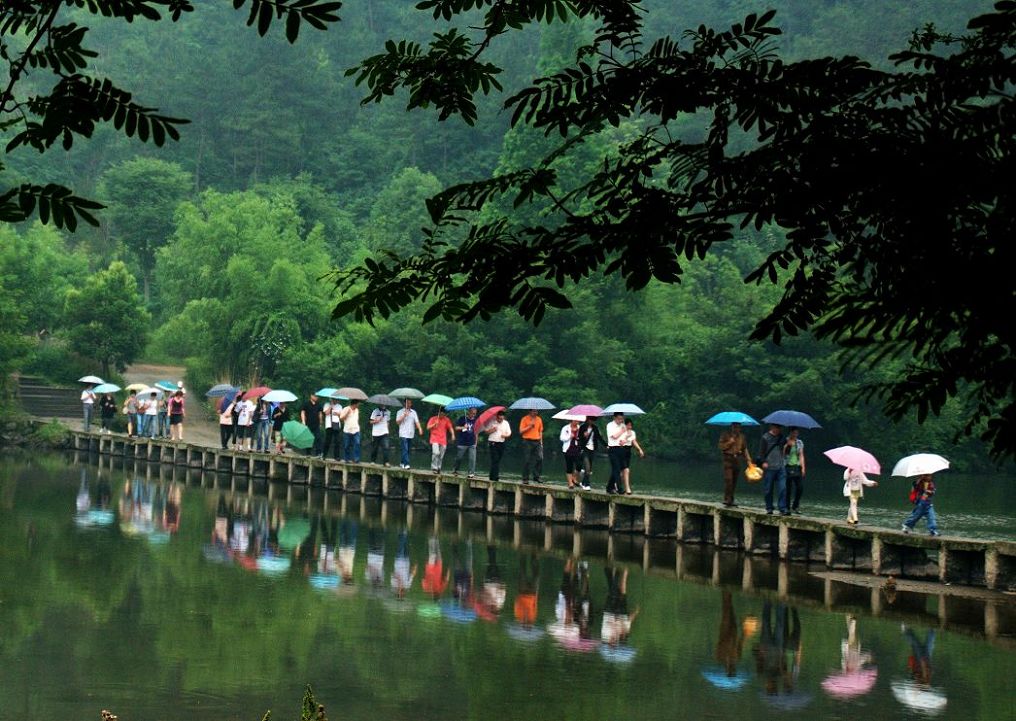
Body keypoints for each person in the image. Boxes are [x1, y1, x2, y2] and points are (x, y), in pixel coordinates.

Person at [718, 422, 751, 507]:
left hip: (737, 459)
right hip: (728, 459)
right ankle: (727, 498)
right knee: (729, 479)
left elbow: (745, 449)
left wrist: (748, 459)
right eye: (734, 427)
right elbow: (721, 446)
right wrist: (729, 442)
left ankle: (731, 499)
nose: (736, 429)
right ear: (731, 427)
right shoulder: (725, 435)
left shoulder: (742, 437)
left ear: (740, 428)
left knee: (734, 481)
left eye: (738, 427)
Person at [758, 423, 788, 515]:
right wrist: (763, 462)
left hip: (780, 466)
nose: (778, 429)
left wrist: (789, 445)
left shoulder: (782, 437)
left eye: (780, 427)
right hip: (769, 466)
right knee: (768, 488)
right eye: (777, 427)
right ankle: (769, 507)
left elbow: (786, 452)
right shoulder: (765, 437)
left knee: (783, 487)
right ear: (772, 427)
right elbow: (761, 451)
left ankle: (782, 508)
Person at [483, 409, 511, 481]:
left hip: (501, 442)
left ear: (503, 417)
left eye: (502, 418)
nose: (500, 420)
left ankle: (492, 476)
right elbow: (486, 432)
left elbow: (509, 433)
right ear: (496, 417)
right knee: (495, 459)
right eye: (499, 418)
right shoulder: (492, 422)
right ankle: (495, 476)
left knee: (497, 460)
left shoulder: (506, 423)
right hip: (493, 442)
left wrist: (505, 435)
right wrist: (492, 430)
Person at [452, 407, 479, 477]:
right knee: (459, 457)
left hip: (472, 442)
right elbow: (456, 428)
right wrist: (463, 427)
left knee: (472, 458)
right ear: (469, 412)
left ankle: (471, 473)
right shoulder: (462, 418)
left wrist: (476, 442)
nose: (473, 415)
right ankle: (455, 469)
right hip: (462, 442)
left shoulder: (476, 421)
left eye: (475, 414)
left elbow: (476, 432)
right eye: (472, 413)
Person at [519, 408, 544, 484]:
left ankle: (536, 476)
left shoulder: (539, 419)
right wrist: (529, 426)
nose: (535, 412)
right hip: (527, 441)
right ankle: (525, 478)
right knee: (527, 460)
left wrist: (541, 442)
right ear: (530, 411)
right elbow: (521, 431)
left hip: (537, 441)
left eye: (536, 411)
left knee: (540, 458)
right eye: (534, 411)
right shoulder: (524, 419)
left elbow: (540, 431)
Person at [620, 418, 645, 494]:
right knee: (626, 470)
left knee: (622, 472)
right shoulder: (621, 432)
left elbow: (634, 441)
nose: (629, 427)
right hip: (621, 450)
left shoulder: (632, 432)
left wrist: (640, 449)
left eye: (631, 425)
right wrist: (626, 436)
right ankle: (627, 489)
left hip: (628, 451)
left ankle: (616, 485)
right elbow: (620, 442)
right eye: (628, 425)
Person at [784, 427, 806, 513]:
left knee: (800, 487)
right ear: (790, 433)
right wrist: (788, 445)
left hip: (796, 466)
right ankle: (786, 507)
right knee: (788, 488)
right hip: (787, 465)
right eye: (793, 433)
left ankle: (795, 505)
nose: (795, 435)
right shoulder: (785, 441)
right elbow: (783, 453)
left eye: (796, 433)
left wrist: (803, 467)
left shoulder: (799, 442)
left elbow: (801, 455)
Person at [426, 407, 455, 473]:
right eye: (441, 414)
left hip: (443, 440)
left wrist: (453, 435)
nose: (442, 415)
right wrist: (434, 424)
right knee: (436, 453)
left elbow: (450, 428)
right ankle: (434, 468)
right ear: (439, 413)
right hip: (434, 438)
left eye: (443, 414)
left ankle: (439, 467)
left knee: (441, 455)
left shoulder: (446, 420)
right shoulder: (433, 419)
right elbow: (427, 427)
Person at [578, 417, 603, 490]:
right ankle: (587, 484)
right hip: (585, 449)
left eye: (593, 420)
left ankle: (583, 483)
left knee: (589, 470)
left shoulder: (595, 428)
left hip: (592, 449)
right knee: (587, 467)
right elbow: (579, 438)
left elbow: (599, 438)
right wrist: (584, 436)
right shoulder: (582, 427)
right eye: (590, 420)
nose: (591, 421)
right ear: (587, 419)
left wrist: (607, 445)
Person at [396, 398, 423, 469]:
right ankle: (407, 464)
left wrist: (420, 428)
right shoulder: (399, 412)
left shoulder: (413, 412)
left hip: (410, 433)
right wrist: (404, 415)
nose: (408, 404)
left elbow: (416, 421)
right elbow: (398, 422)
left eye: (410, 403)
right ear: (404, 403)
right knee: (405, 448)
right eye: (407, 403)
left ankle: (402, 462)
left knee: (407, 449)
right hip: (403, 433)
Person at [605, 411, 627, 494]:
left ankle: (609, 487)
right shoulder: (610, 425)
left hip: (621, 448)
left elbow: (625, 437)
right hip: (613, 449)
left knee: (618, 469)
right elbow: (614, 436)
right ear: (614, 418)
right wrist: (622, 431)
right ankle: (619, 488)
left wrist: (623, 441)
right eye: (619, 419)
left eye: (622, 419)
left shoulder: (623, 425)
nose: (621, 420)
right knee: (616, 469)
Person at [560, 418, 582, 488]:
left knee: (579, 465)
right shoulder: (565, 428)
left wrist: (584, 436)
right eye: (575, 420)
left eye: (578, 420)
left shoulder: (580, 428)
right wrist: (569, 437)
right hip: (568, 449)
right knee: (569, 466)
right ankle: (570, 483)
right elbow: (561, 438)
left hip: (577, 449)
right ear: (571, 420)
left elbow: (582, 439)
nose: (577, 422)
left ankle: (574, 478)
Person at [300, 392, 323, 457]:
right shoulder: (306, 404)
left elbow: (320, 413)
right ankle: (308, 453)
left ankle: (319, 453)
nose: (316, 397)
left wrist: (321, 422)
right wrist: (303, 421)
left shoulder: (318, 404)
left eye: (317, 396)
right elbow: (302, 412)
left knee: (318, 438)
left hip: (316, 424)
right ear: (311, 396)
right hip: (308, 424)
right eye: (315, 396)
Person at [322, 396, 343, 460]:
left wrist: (337, 413)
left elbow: (341, 414)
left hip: (336, 424)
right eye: (334, 399)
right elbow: (326, 413)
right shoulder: (326, 404)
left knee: (337, 441)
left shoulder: (339, 406)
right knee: (327, 441)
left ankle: (336, 456)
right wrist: (331, 406)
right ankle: (324, 455)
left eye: (336, 399)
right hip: (329, 425)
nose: (335, 400)